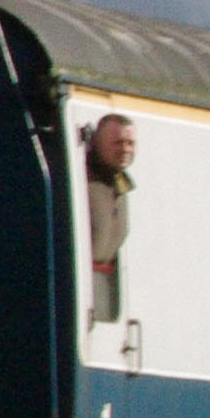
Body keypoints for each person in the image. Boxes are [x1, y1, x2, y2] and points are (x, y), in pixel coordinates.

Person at [82, 113, 136, 323]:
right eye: (117, 143)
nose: (125, 149)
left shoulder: (121, 186)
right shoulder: (83, 184)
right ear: (97, 143)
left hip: (102, 297)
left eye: (130, 143)